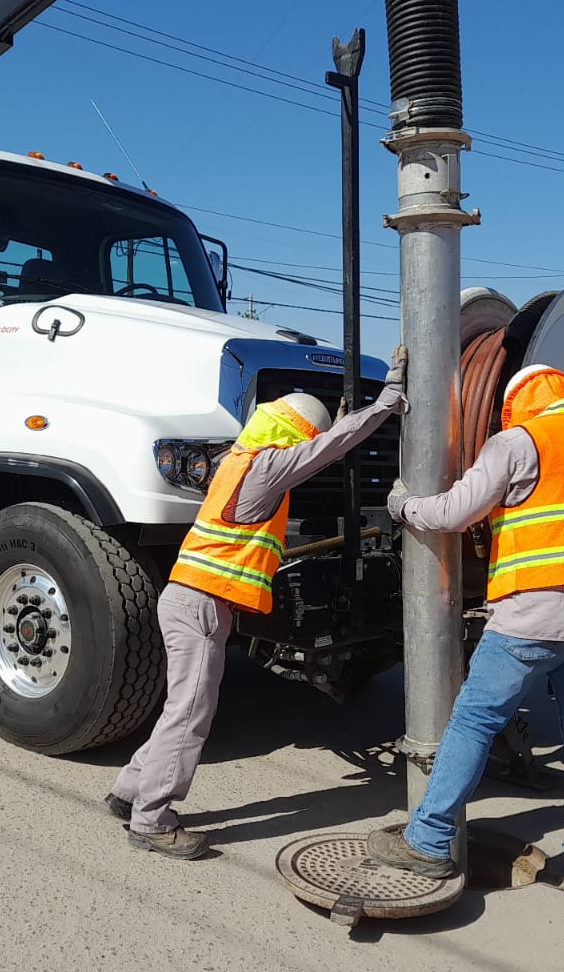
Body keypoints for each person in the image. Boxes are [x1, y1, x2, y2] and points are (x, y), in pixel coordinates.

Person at [107, 349, 409, 860]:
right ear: (293, 436)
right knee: (190, 715)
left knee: (179, 708)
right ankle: (152, 820)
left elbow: (311, 452)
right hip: (202, 606)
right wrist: (385, 404)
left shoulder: (239, 462)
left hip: (185, 598)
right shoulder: (266, 469)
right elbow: (329, 450)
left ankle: (129, 789)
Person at [368, 364, 564, 900]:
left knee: (474, 720)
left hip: (534, 616)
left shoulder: (518, 442)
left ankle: (427, 839)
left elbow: (453, 512)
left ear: (522, 400)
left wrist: (404, 505)